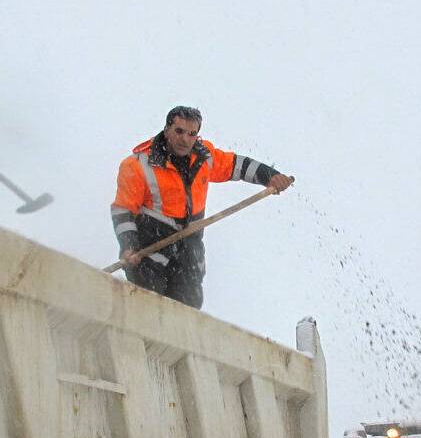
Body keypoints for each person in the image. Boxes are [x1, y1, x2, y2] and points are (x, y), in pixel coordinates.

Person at [111, 106, 293, 309]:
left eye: (192, 134)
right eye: (179, 131)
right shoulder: (137, 165)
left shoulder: (204, 156)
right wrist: (128, 245)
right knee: (150, 312)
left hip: (188, 255)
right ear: (166, 129)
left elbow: (237, 165)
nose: (185, 139)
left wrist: (271, 176)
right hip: (148, 255)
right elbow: (123, 210)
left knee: (187, 315)